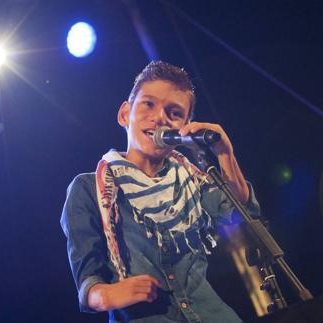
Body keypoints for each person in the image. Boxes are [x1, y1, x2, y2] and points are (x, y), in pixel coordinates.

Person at [60, 61, 260, 322]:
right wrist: (108, 294)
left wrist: (225, 152)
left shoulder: (193, 180)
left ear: (185, 127)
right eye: (148, 104)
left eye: (174, 113)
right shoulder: (89, 189)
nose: (160, 118)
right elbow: (88, 282)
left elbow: (242, 214)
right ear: (124, 114)